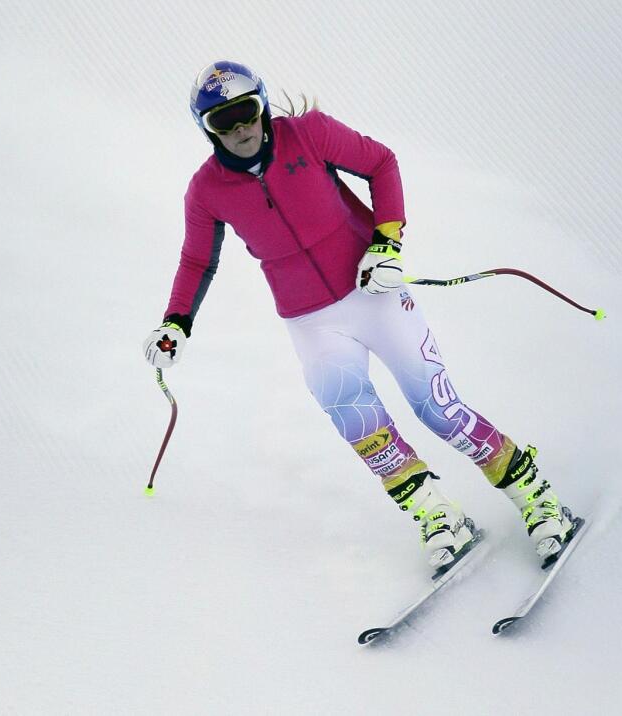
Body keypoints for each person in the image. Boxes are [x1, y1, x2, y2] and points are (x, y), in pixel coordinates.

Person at [142, 60, 579, 570]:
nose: (239, 128)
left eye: (245, 111)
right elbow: (198, 259)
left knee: (437, 408)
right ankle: (435, 514)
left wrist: (386, 244)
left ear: (260, 104)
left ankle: (538, 498)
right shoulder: (207, 190)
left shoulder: (310, 134)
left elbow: (381, 163)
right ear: (206, 129)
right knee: (357, 420)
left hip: (371, 292)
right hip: (310, 321)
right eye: (222, 121)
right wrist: (176, 322)